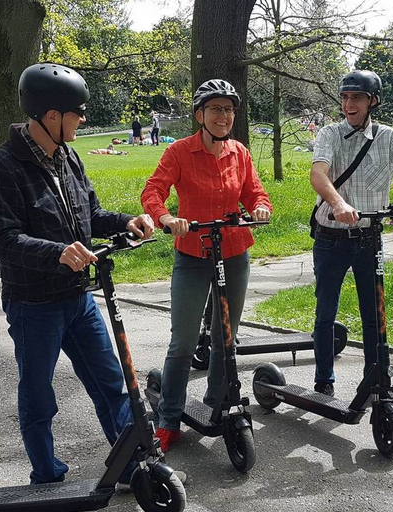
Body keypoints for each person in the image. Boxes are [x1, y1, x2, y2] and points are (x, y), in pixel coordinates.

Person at [0, 62, 159, 487]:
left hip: (79, 298)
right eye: (77, 113)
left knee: (111, 384)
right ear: (51, 117)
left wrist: (125, 221)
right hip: (33, 305)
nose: (82, 119)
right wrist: (58, 253)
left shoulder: (69, 156)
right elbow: (3, 239)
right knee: (39, 397)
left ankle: (130, 468)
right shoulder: (5, 165)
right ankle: (46, 475)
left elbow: (90, 214)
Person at [141, 79, 272, 452]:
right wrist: (166, 218)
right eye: (215, 109)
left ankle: (217, 405)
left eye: (229, 109)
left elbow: (254, 192)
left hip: (233, 251)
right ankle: (168, 419)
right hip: (193, 254)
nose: (223, 116)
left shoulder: (239, 152)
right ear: (200, 114)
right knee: (182, 341)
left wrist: (261, 207)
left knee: (225, 337)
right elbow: (153, 191)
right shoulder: (180, 152)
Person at [309, 70, 393, 397]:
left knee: (374, 314)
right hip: (331, 237)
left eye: (357, 98)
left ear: (372, 101)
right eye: (345, 97)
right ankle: (324, 382)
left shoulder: (388, 138)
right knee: (325, 313)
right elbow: (318, 174)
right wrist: (337, 203)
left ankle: (375, 381)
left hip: (368, 239)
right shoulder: (329, 134)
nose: (349, 104)